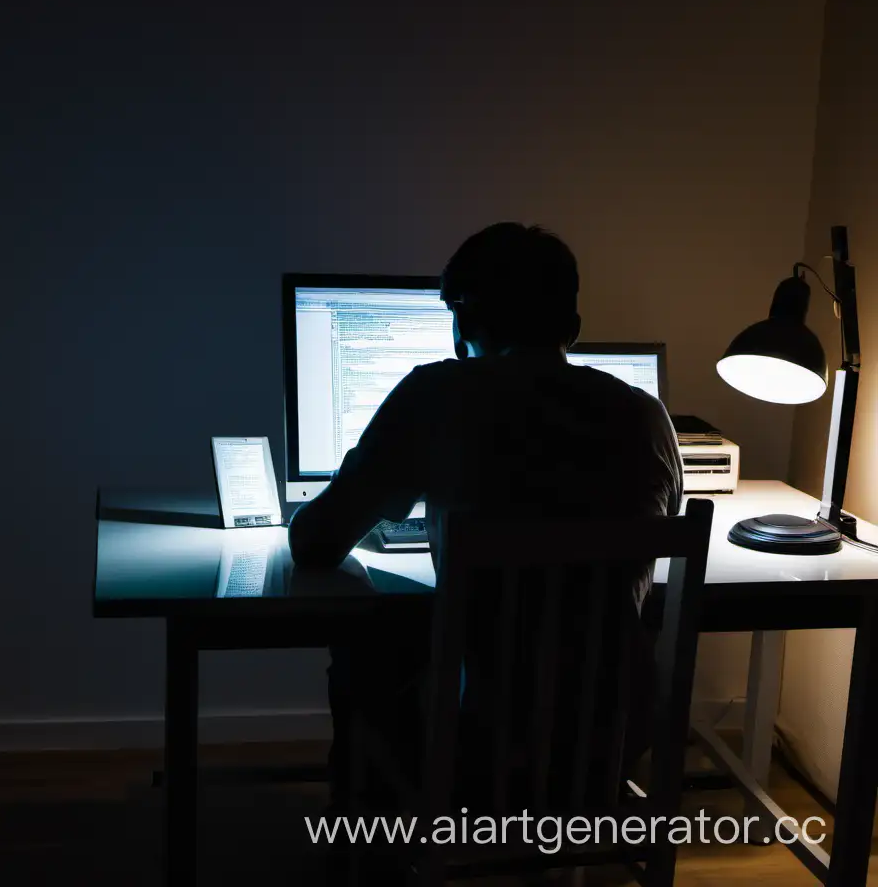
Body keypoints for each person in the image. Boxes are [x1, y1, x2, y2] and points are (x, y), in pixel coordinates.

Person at [288, 222, 683, 809]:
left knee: (364, 645)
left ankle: (372, 851)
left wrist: (383, 492)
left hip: (476, 743)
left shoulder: (435, 397)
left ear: (461, 326)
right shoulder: (646, 417)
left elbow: (315, 543)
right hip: (610, 738)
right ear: (572, 330)